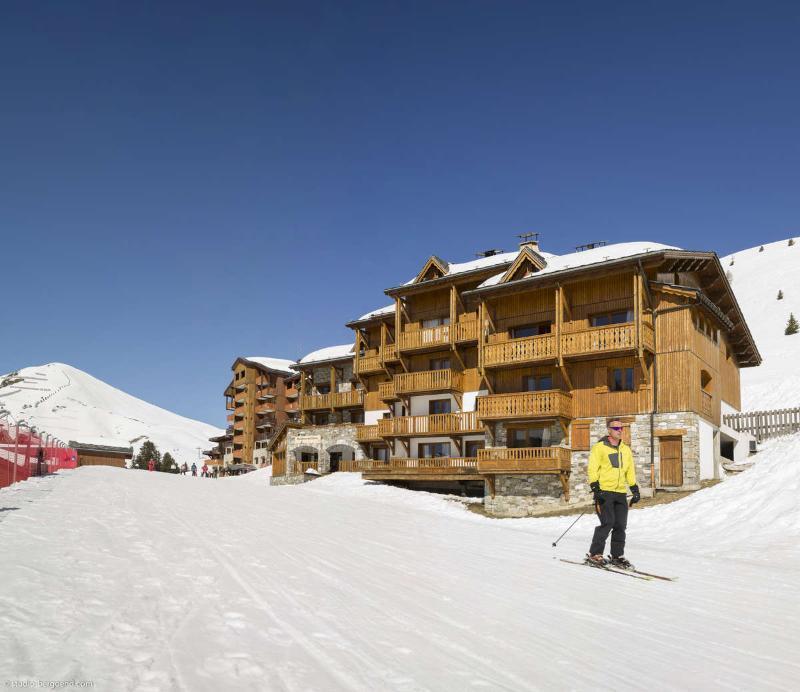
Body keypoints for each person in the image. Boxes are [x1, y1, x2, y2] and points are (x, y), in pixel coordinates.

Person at [586, 417, 641, 569]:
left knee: (620, 525)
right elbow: (592, 468)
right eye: (616, 428)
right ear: (609, 430)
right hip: (605, 492)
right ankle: (595, 554)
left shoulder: (626, 449)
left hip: (620, 493)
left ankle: (617, 556)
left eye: (621, 428)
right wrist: (595, 487)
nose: (620, 431)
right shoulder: (600, 447)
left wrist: (634, 489)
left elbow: (630, 471)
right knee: (607, 523)